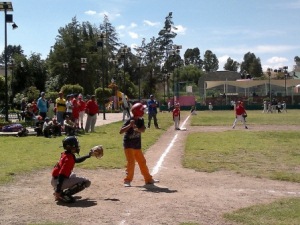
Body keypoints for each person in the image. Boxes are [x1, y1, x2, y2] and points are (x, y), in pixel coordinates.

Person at [119, 102, 158, 187]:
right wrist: (130, 125)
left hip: (137, 145)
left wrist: (137, 129)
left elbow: (143, 130)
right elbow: (121, 131)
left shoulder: (141, 120)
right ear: (138, 112)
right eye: (142, 110)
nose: (143, 111)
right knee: (131, 163)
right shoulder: (129, 120)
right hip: (128, 145)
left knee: (142, 162)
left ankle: (148, 179)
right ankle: (127, 180)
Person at [51, 136, 92, 203]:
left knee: (73, 175)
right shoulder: (68, 159)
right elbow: (61, 175)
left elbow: (76, 160)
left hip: (55, 180)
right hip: (58, 181)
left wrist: (88, 155)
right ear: (69, 147)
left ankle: (59, 190)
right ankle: (63, 194)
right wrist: (58, 191)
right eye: (75, 145)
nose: (77, 147)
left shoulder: (66, 154)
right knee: (86, 182)